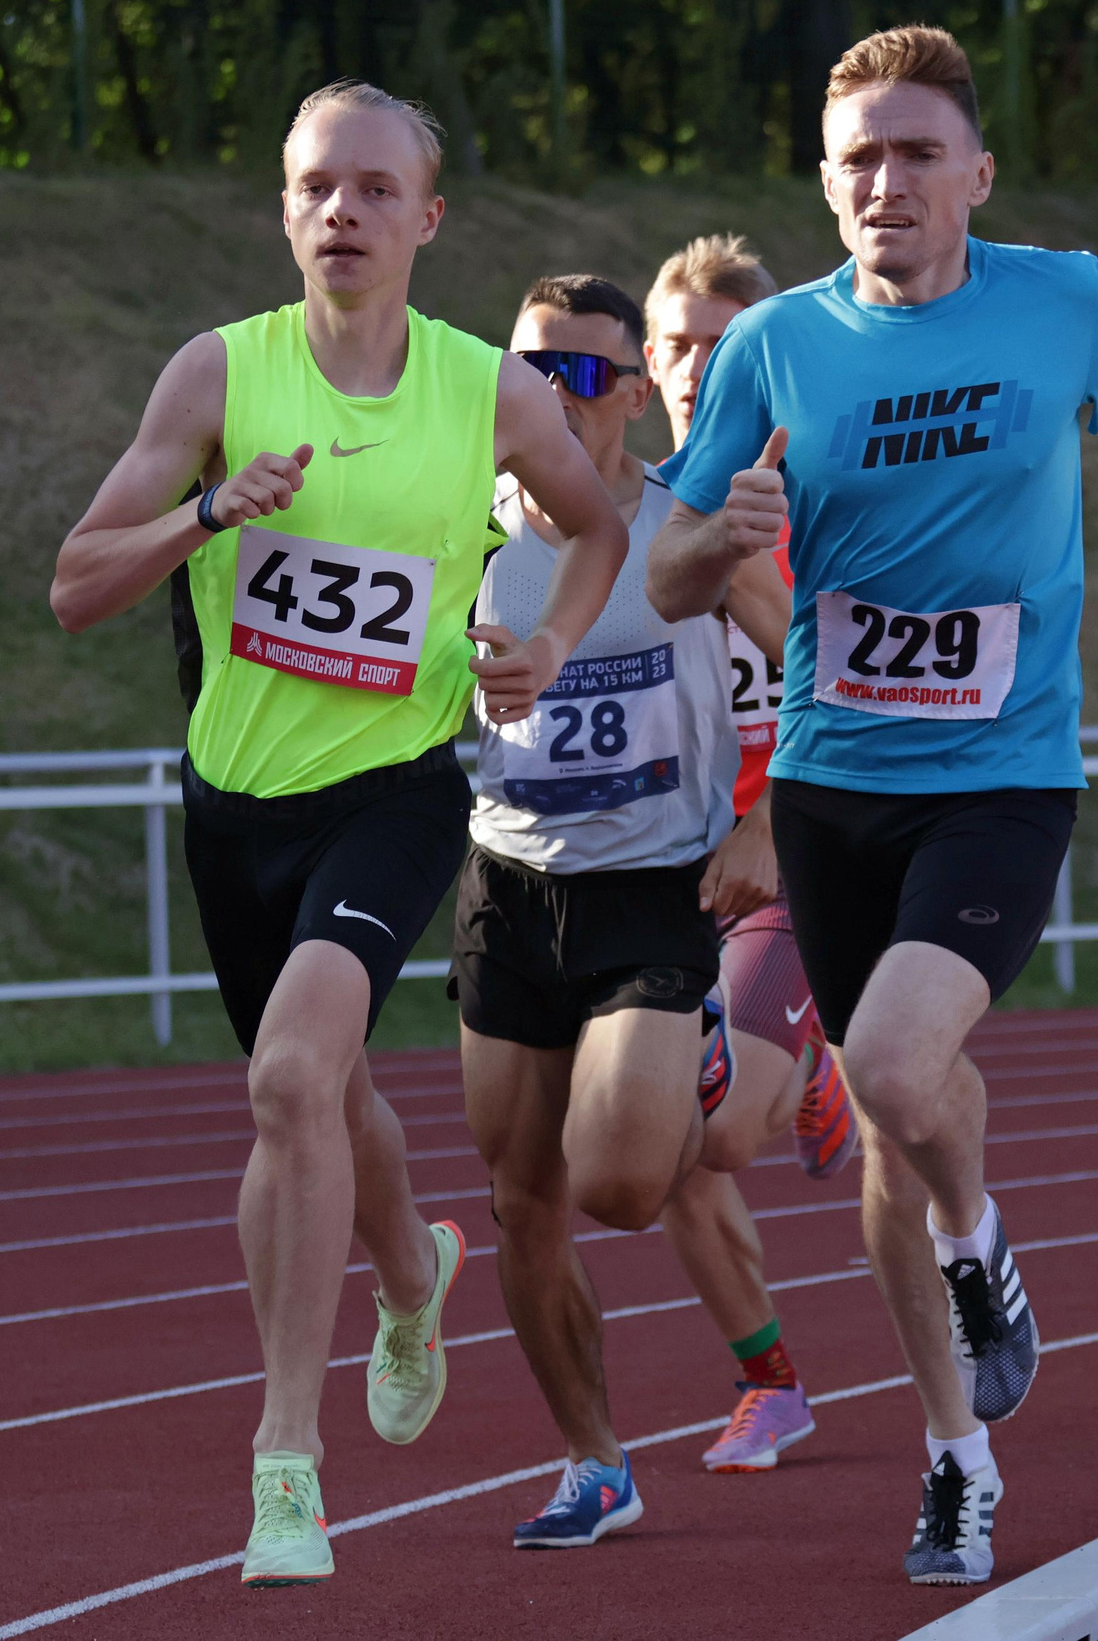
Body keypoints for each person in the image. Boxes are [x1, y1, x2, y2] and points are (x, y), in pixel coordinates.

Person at [647, 26, 1098, 1586]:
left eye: (917, 152)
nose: (888, 181)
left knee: (892, 1063)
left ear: (976, 174)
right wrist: (718, 529)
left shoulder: (1066, 300)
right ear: (826, 182)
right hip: (832, 782)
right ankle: (957, 1455)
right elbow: (667, 572)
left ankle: (979, 1240)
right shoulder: (774, 344)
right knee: (892, 1117)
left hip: (1000, 777)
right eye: (859, 157)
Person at [48, 82, 628, 1588]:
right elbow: (76, 584)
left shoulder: (488, 392)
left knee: (292, 1076)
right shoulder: (218, 373)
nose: (343, 212)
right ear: (285, 210)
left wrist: (546, 645)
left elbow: (596, 526)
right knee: (328, 1093)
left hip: (393, 791)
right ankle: (411, 1269)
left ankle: (284, 1465)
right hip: (235, 803)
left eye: (375, 189)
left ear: (427, 217)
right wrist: (207, 516)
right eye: (317, 186)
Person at [454, 272, 830, 1544]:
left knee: (617, 1186)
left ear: (628, 392)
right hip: (507, 883)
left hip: (653, 884)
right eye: (523, 367)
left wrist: (769, 823)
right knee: (520, 1201)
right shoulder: (461, 528)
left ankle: (701, 1057)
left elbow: (815, 664)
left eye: (573, 372)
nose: (542, 392)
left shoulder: (683, 530)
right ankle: (593, 1463)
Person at [642, 235, 862, 1478]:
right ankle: (769, 1384)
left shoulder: (815, 508)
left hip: (785, 856)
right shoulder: (624, 509)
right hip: (654, 865)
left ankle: (812, 1046)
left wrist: (772, 822)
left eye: (720, 346)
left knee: (719, 1135)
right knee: (657, 1141)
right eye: (676, 344)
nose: (693, 367)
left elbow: (847, 689)